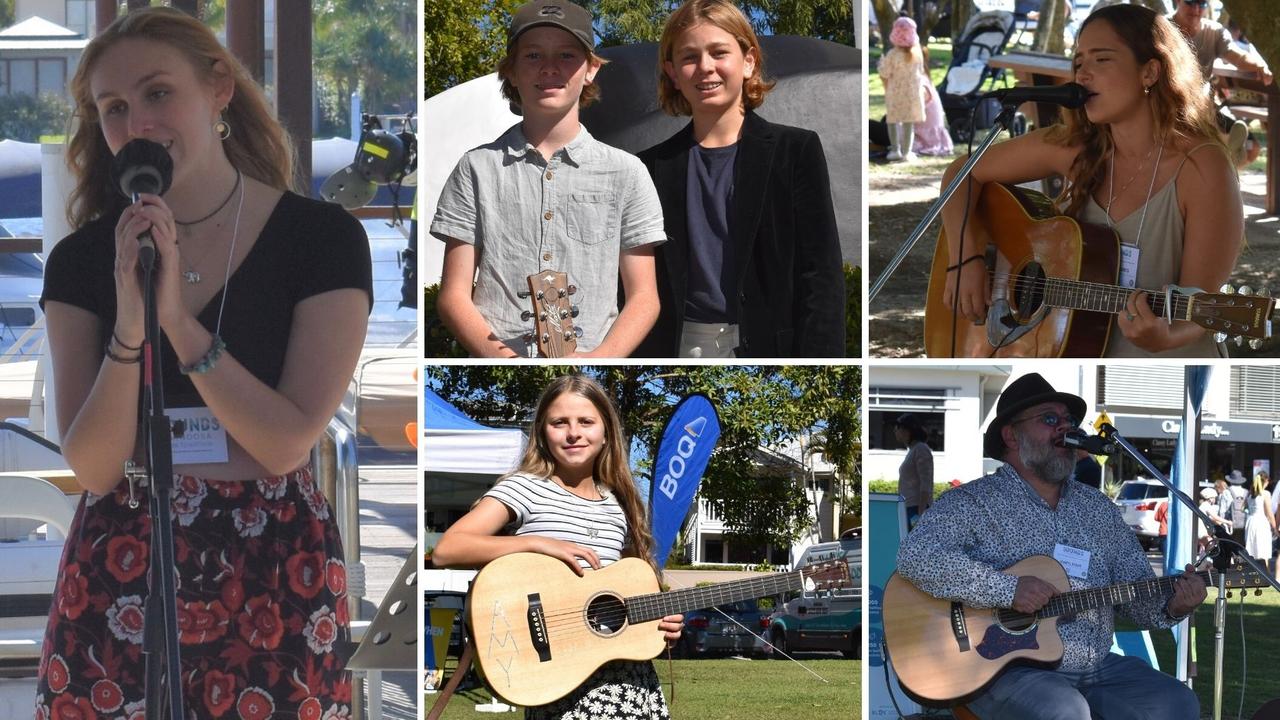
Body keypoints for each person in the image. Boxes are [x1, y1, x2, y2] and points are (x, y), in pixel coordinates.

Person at [35, 6, 368, 718]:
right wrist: (131, 319)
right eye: (115, 108)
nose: (138, 122)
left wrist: (179, 325)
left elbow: (284, 442)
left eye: (158, 93)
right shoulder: (82, 260)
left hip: (273, 560)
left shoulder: (320, 240)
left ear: (218, 89)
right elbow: (94, 468)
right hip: (121, 561)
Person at [897, 372, 1207, 720]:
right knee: (1064, 710)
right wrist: (1007, 589)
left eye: (1069, 420)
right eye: (1050, 419)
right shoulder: (973, 502)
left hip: (1095, 667)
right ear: (1011, 435)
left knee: (1179, 704)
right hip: (1001, 668)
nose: (1065, 428)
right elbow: (917, 556)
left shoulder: (1099, 510)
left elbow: (1137, 600)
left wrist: (1174, 605)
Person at [941, 4, 1242, 358]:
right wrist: (965, 259)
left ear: (1150, 72)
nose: (1082, 75)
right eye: (1078, 62)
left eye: (1101, 60)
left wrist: (1166, 337)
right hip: (1074, 352)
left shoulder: (1203, 166)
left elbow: (1202, 308)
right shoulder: (1076, 148)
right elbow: (962, 173)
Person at [431, 375, 683, 719]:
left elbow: (620, 591)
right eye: (559, 422)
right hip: (556, 679)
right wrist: (539, 544)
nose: (573, 433)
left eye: (586, 422)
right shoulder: (525, 488)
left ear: (606, 431)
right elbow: (448, 549)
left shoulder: (619, 503)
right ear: (542, 431)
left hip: (629, 683)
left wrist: (660, 622)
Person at [432, 0, 665, 358]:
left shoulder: (627, 173)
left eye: (568, 56)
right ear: (510, 70)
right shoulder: (476, 169)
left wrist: (598, 359)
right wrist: (506, 360)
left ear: (591, 69)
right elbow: (453, 295)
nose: (550, 68)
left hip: (592, 360)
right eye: (533, 56)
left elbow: (644, 297)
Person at [634, 0, 845, 358]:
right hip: (680, 346)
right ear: (672, 73)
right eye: (689, 57)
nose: (705, 68)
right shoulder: (650, 167)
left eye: (719, 53)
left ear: (748, 61)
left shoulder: (795, 151)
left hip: (773, 350)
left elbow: (820, 276)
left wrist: (819, 360)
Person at [1168, 0, 1271, 165]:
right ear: (1177, 1)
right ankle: (1222, 155)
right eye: (1190, 2)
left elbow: (1237, 57)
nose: (1196, 9)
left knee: (1252, 149)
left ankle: (1225, 163)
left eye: (1201, 4)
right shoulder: (1162, 28)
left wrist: (1260, 66)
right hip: (1169, 108)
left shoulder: (1214, 32)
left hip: (1204, 108)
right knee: (1198, 151)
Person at [878, 16, 927, 162]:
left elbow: (885, 73)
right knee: (908, 123)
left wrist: (881, 64)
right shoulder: (918, 53)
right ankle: (907, 152)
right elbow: (921, 72)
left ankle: (895, 150)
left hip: (895, 93)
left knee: (892, 121)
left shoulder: (893, 54)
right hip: (912, 94)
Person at [893, 413, 934, 527]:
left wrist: (921, 515)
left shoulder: (921, 449)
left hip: (917, 509)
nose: (895, 431)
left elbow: (926, 484)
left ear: (907, 430)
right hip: (908, 507)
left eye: (897, 428)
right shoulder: (913, 450)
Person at [1243, 472, 1278, 566]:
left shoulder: (1250, 494)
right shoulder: (1265, 494)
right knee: (1263, 552)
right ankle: (1265, 577)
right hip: (1261, 523)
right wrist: (1275, 528)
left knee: (1252, 551)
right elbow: (1269, 513)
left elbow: (1244, 508)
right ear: (1266, 481)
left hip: (1250, 522)